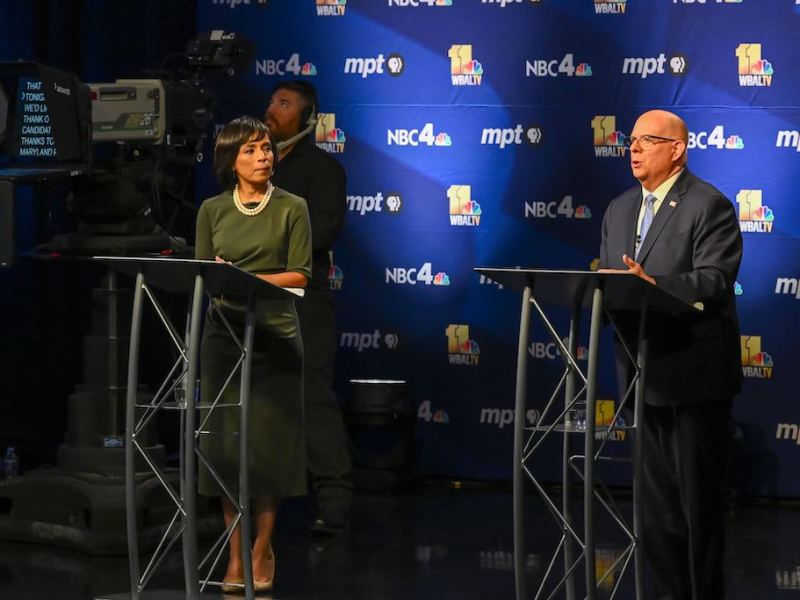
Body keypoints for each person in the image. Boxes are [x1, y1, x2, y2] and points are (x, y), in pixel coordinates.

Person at [598, 110, 742, 599]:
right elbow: (611, 284)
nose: (633, 149)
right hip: (640, 379)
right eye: (630, 141)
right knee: (654, 514)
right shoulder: (618, 209)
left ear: (677, 149)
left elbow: (714, 280)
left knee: (696, 510)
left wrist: (654, 285)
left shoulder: (709, 205)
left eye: (646, 141)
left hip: (693, 377)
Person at [195, 115, 312, 592]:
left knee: (267, 451)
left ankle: (262, 547)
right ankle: (235, 553)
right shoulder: (211, 210)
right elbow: (204, 274)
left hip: (275, 337)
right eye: (252, 150)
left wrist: (248, 280)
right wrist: (221, 278)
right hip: (223, 338)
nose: (264, 156)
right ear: (231, 161)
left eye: (267, 148)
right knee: (226, 450)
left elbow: (300, 274)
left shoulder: (293, 207)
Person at [264, 81, 352, 536]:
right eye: (272, 102)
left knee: (311, 396)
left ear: (309, 116)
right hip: (251, 297)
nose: (272, 110)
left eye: (284, 104)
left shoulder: (324, 170)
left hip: (302, 300)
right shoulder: (251, 166)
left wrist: (266, 243)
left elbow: (323, 231)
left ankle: (334, 499)